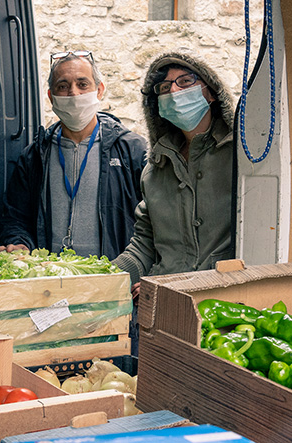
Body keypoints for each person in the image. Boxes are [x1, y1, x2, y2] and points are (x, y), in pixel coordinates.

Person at [111, 50, 240, 296]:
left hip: (226, 301)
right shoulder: (155, 171)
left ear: (211, 92)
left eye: (185, 82)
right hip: (166, 304)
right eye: (164, 87)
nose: (174, 92)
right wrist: (106, 277)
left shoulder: (239, 158)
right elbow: (145, 245)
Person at [0, 50, 148, 259]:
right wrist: (19, 243)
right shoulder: (35, 156)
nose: (74, 93)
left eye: (82, 84)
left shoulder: (133, 151)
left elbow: (155, 222)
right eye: (63, 86)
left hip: (114, 279)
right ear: (51, 97)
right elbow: (16, 218)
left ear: (99, 90)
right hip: (51, 279)